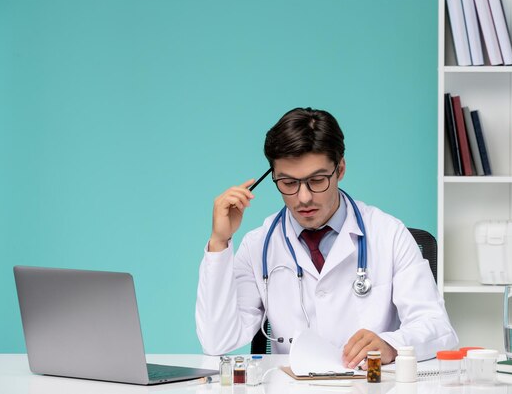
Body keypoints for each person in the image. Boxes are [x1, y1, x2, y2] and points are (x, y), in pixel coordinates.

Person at [196, 107, 458, 367]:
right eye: (288, 183)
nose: (304, 197)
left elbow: (438, 329)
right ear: (274, 177)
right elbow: (216, 340)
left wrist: (392, 344)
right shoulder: (259, 245)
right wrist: (219, 242)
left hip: (368, 387)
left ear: (340, 169)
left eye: (317, 180)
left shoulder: (388, 234)